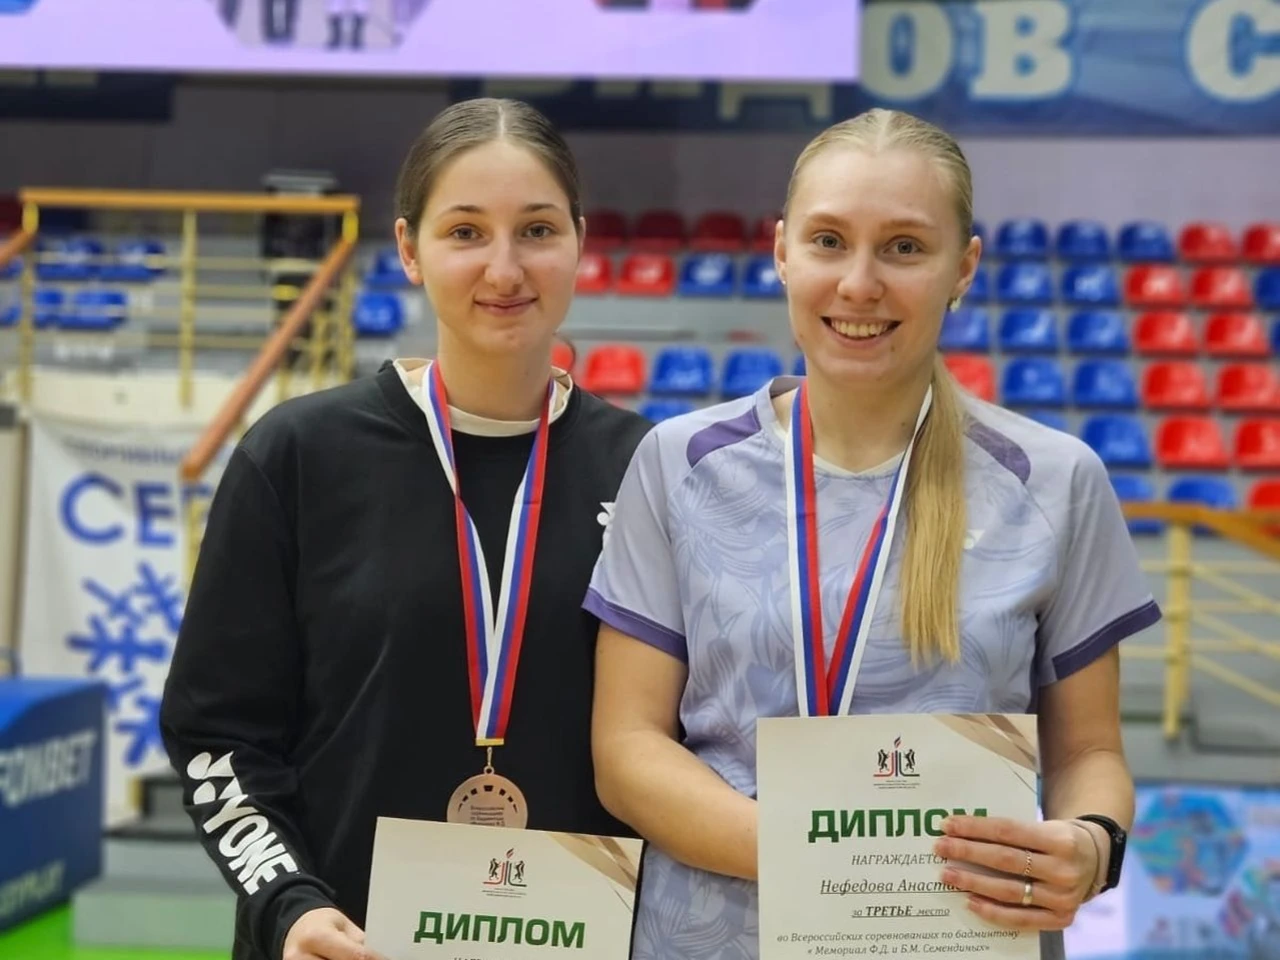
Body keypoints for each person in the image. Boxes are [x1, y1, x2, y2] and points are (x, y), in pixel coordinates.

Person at [586, 108, 1161, 960]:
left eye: (903, 247)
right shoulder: (679, 464)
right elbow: (626, 749)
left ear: (963, 267)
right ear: (782, 252)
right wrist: (844, 872)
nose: (860, 284)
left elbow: (1090, 753)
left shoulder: (1055, 482)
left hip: (961, 941)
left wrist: (1090, 844)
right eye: (828, 241)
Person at [160, 97, 651, 960]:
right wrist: (288, 904)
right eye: (465, 232)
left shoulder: (648, 471)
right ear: (409, 249)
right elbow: (218, 735)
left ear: (580, 241)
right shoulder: (298, 457)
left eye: (537, 230)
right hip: (342, 943)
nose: (504, 267)